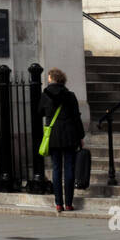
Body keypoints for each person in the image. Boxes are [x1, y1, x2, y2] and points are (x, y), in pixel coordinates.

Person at [38, 69, 85, 213]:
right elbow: (76, 117)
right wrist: (81, 136)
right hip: (70, 134)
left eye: (48, 77)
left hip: (53, 135)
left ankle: (59, 203)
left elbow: (40, 112)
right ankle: (69, 203)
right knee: (69, 168)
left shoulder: (45, 95)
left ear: (52, 78)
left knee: (56, 169)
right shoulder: (70, 96)